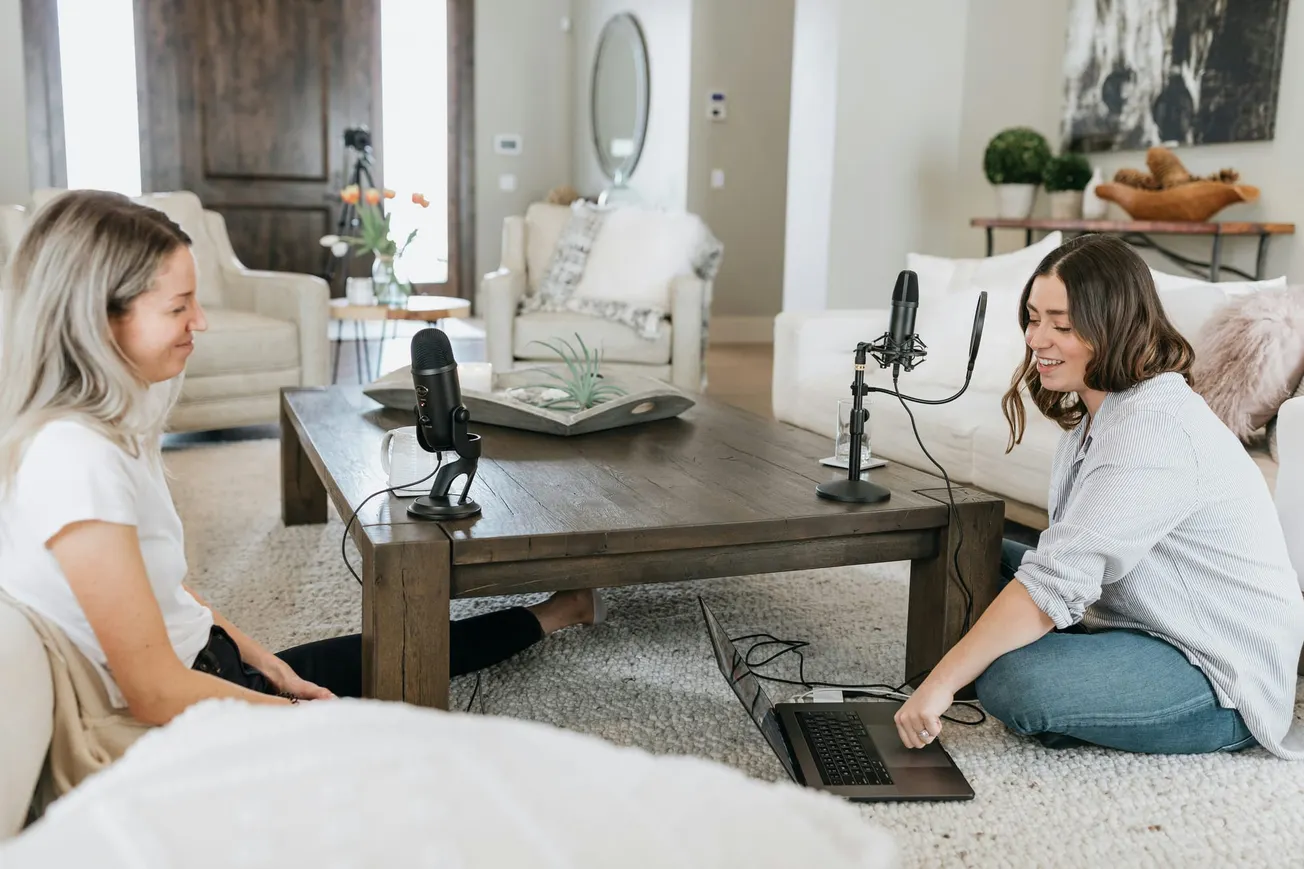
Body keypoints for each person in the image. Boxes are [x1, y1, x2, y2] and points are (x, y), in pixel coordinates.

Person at [0, 190, 601, 724]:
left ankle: (557, 612)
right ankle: (553, 615)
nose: (201, 322)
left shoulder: (103, 431)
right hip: (184, 712)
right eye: (179, 306)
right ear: (98, 321)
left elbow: (168, 594)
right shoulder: (73, 461)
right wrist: (294, 716)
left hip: (210, 668)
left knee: (385, 654)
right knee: (409, 740)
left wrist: (267, 664)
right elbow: (155, 695)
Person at [894, 234, 1304, 758]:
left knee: (1014, 684)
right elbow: (1063, 567)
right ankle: (1074, 667)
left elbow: (1057, 581)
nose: (1038, 338)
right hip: (1137, 612)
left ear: (1114, 326)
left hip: (1216, 668)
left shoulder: (1152, 431)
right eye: (1033, 316)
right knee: (968, 546)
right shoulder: (1100, 409)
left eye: (1062, 325)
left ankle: (1083, 686)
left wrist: (940, 684)